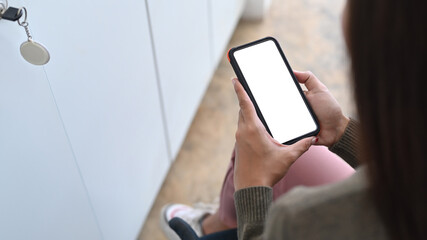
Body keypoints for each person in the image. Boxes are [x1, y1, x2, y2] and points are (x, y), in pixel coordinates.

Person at [161, 0, 427, 239]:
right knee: (298, 150)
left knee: (257, 151)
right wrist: (342, 130)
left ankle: (212, 229)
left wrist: (253, 187)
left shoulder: (297, 220)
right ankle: (216, 223)